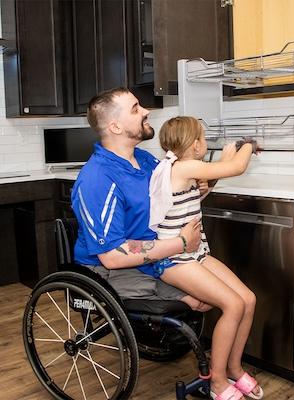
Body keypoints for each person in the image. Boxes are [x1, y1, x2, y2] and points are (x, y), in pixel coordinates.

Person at [147, 116, 264, 400]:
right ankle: (218, 381)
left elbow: (199, 189)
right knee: (233, 305)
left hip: (195, 253)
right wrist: (249, 144)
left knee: (248, 300)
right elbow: (236, 167)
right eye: (203, 136)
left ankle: (235, 368)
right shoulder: (185, 166)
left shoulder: (182, 169)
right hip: (174, 260)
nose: (205, 141)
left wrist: (223, 160)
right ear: (195, 143)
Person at [71, 87, 208, 311]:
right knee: (198, 300)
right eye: (135, 109)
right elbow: (112, 256)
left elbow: (168, 200)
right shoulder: (97, 179)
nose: (146, 111)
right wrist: (180, 243)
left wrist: (195, 190)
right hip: (109, 271)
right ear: (115, 127)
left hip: (153, 257)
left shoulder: (145, 160)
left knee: (208, 297)